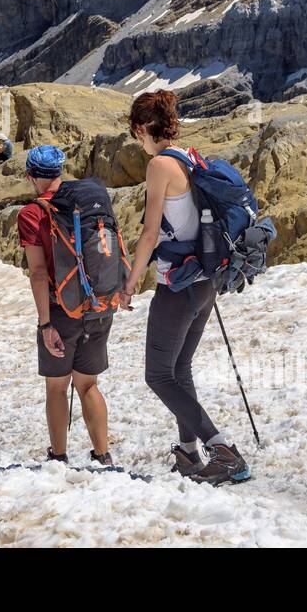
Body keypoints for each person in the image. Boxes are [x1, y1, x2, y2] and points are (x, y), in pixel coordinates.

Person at [118, 90, 250, 485]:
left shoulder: (159, 165)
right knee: (179, 369)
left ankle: (222, 451)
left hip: (177, 284)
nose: (138, 144)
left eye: (136, 135)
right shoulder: (190, 158)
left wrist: (129, 285)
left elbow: (149, 233)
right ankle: (191, 453)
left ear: (143, 128)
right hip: (205, 280)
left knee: (158, 376)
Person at [16, 144, 113, 466]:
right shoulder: (86, 202)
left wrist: (45, 324)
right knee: (88, 384)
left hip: (61, 309)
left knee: (57, 388)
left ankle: (58, 455)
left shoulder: (32, 214)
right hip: (99, 306)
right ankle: (103, 455)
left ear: (31, 176)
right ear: (59, 172)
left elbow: (39, 272)